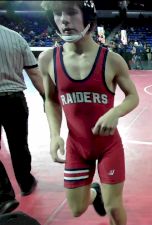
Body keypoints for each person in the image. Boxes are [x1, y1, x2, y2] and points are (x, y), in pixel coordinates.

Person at [38, 1, 139, 225]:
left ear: (87, 17)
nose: (63, 20)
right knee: (77, 208)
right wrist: (55, 135)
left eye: (72, 12)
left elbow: (133, 96)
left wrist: (116, 112)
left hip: (108, 146)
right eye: (57, 14)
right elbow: (51, 100)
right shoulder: (47, 60)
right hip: (77, 146)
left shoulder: (111, 60)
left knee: (114, 207)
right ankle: (96, 193)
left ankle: (105, 198)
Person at [0, 24, 45, 213]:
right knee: (19, 145)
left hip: (12, 98)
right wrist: (46, 98)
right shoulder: (15, 37)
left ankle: (3, 196)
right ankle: (25, 182)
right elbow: (34, 72)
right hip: (14, 99)